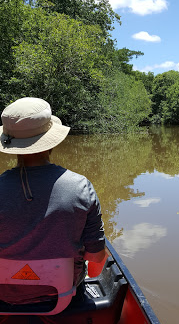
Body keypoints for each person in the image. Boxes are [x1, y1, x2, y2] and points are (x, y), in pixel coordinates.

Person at [0, 97, 106, 306]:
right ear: (51, 141)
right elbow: (95, 257)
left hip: (3, 297)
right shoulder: (80, 187)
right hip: (62, 296)